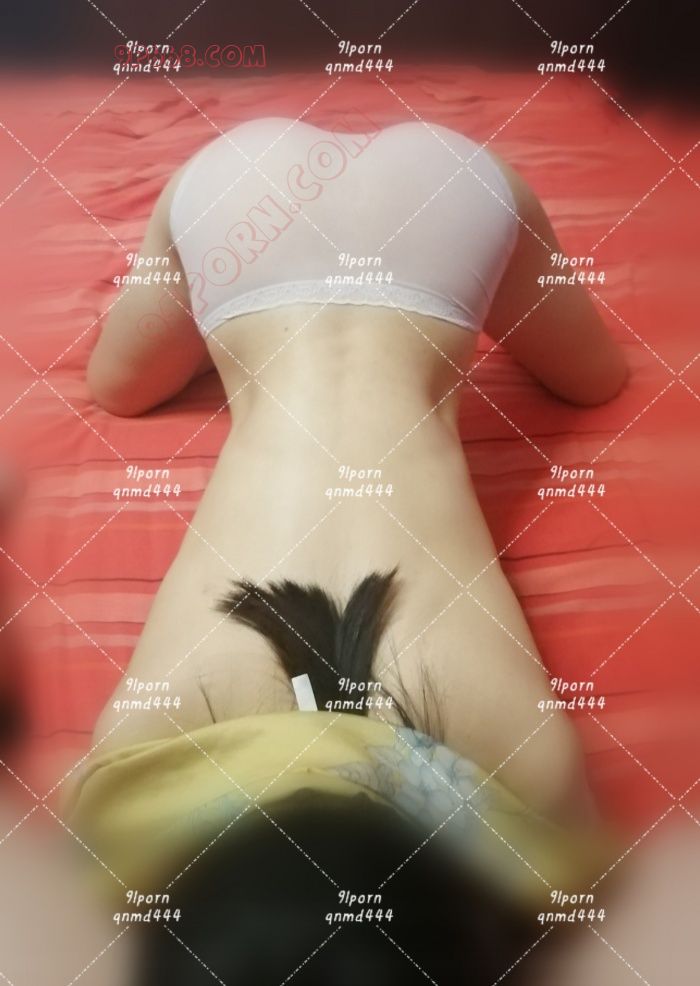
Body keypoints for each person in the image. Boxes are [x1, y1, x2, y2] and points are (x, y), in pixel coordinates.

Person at [72, 116, 627, 983]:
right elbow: (593, 377)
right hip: (319, 187)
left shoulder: (530, 780)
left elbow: (120, 384)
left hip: (322, 190)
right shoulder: (132, 775)